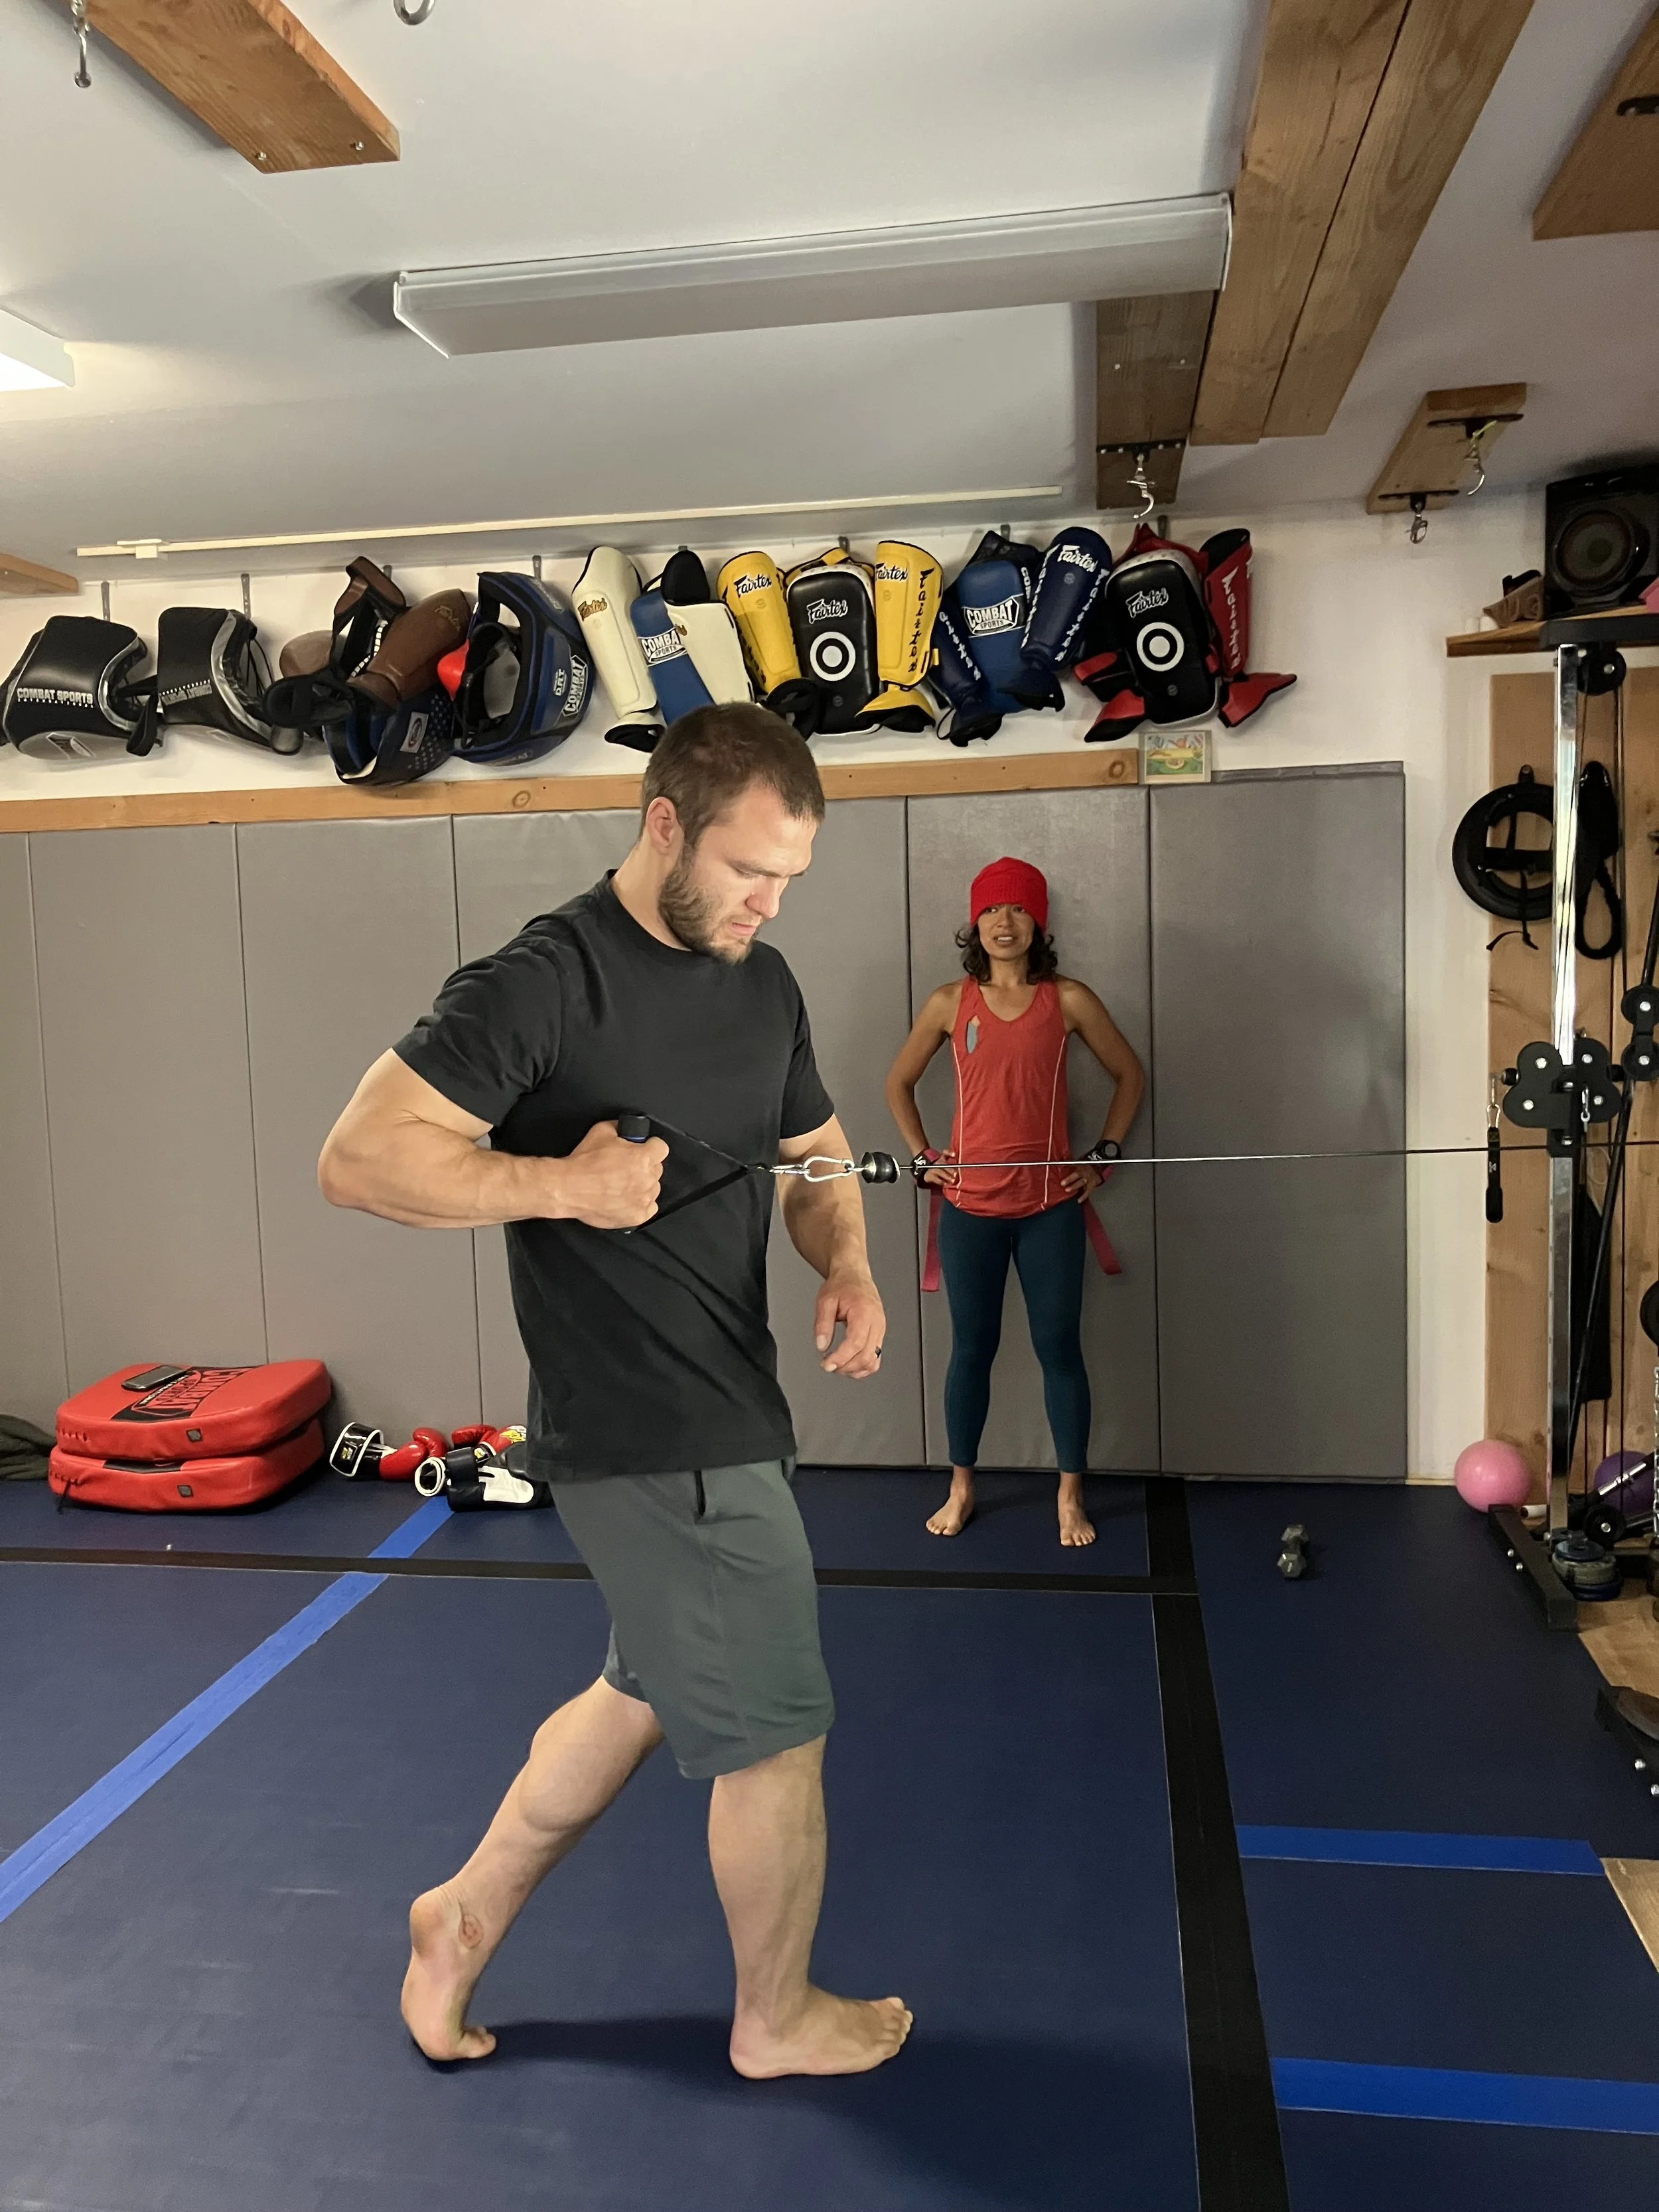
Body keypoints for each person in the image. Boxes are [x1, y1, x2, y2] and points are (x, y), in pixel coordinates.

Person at [319, 702, 911, 2080]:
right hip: (648, 1428)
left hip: (733, 1406)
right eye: (752, 869)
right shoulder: (543, 981)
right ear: (663, 826)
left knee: (636, 1691)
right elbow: (359, 1158)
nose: (770, 901)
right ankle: (774, 2017)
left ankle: (456, 1919)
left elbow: (816, 1150)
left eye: (790, 879)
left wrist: (848, 1265)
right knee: (775, 1739)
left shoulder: (759, 982)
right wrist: (558, 1184)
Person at [884, 856, 1144, 1547]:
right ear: (976, 922)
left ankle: (1069, 1495)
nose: (1005, 922)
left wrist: (1104, 1156)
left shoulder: (1069, 1000)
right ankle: (962, 1485)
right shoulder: (948, 1003)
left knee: (1059, 1347)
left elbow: (1129, 1075)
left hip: (1049, 1210)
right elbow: (897, 1085)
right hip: (969, 1211)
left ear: (1039, 922)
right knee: (971, 1348)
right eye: (993, 910)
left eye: (1019, 910)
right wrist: (921, 1159)